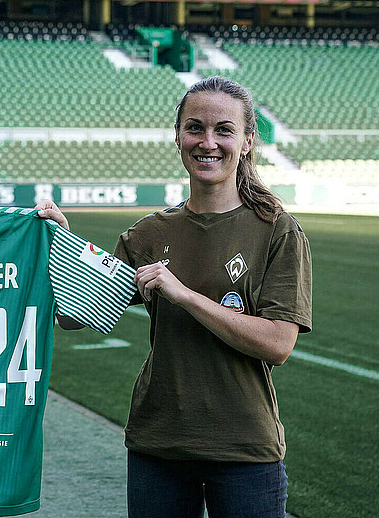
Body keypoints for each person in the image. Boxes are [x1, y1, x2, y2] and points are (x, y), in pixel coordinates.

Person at [114, 76, 313, 518]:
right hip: (158, 443)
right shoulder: (149, 233)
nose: (208, 142)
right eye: (195, 128)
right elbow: (77, 314)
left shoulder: (277, 230)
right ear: (178, 137)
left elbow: (278, 344)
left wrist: (184, 295)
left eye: (224, 129)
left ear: (246, 142)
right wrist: (56, 239)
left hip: (243, 449)